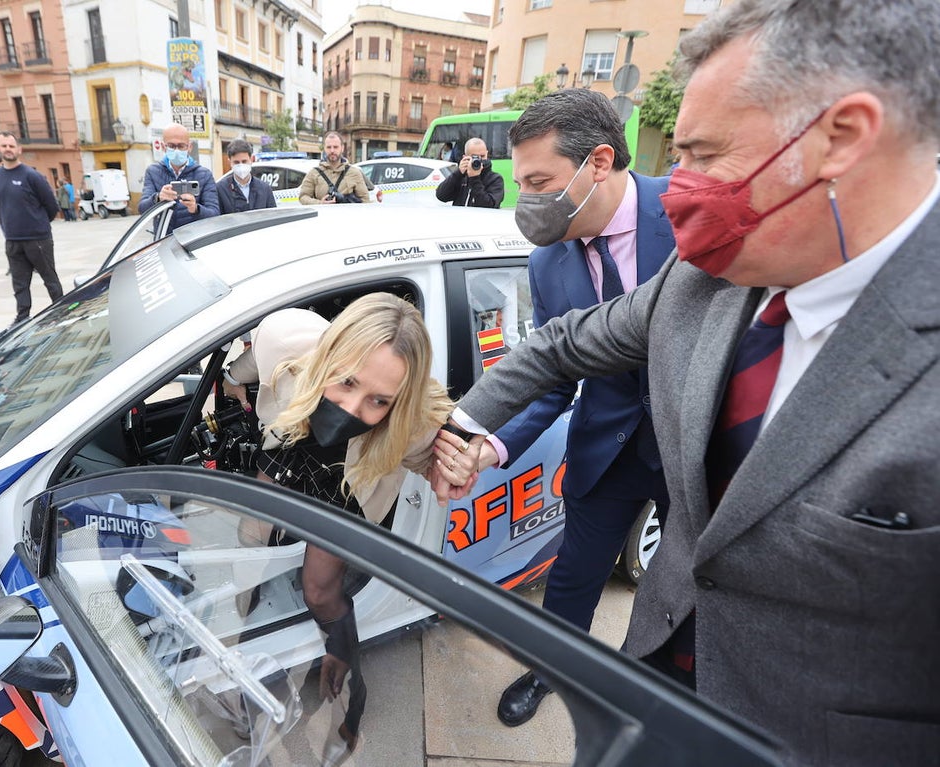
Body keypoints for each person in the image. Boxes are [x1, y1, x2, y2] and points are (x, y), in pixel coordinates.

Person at [434, 1, 940, 765]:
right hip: (653, 685)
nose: (682, 188)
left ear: (841, 136)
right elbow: (561, 348)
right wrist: (469, 429)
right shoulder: (707, 276)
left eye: (704, 155)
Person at [471, 89, 674, 728]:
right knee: (572, 583)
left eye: (539, 182)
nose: (526, 200)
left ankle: (659, 684)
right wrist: (492, 444)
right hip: (603, 450)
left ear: (598, 162)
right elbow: (554, 377)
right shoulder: (547, 262)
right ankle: (551, 669)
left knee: (682, 585)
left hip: (687, 448)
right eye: (519, 183)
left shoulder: (685, 215)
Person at [221, 293, 473, 762]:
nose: (353, 407)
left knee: (319, 590)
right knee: (250, 546)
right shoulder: (285, 341)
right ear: (329, 354)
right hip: (287, 453)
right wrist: (233, 379)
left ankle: (347, 699)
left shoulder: (415, 421)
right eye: (345, 380)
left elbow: (436, 457)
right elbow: (251, 362)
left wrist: (453, 468)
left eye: (379, 400)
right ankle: (239, 665)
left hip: (344, 489)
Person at [0, 132, 62, 325]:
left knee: (49, 278)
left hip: (38, 239)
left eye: (11, 146)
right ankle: (22, 317)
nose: (8, 149)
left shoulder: (32, 176)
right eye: (4, 146)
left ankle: (61, 311)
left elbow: (51, 205)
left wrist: (38, 224)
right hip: (13, 240)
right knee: (19, 283)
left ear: (19, 149)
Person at [138, 122, 220, 231]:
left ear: (189, 147)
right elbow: (142, 209)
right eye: (171, 146)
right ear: (163, 146)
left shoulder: (204, 174)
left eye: (181, 146)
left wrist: (195, 209)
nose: (176, 150)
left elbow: (214, 213)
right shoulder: (153, 172)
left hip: (194, 239)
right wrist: (158, 198)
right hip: (164, 239)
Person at [298, 132, 371, 205]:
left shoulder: (354, 172)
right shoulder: (313, 173)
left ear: (342, 148)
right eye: (329, 147)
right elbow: (303, 197)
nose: (332, 151)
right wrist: (320, 203)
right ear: (324, 148)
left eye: (335, 147)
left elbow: (365, 200)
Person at [434, 137, 505, 208]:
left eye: (482, 156)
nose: (479, 160)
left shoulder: (495, 179)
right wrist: (458, 173)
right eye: (475, 157)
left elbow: (489, 206)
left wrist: (474, 179)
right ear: (465, 157)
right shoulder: (461, 177)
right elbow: (441, 196)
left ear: (487, 154)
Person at [217, 139, 277, 214]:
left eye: (244, 161)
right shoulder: (221, 189)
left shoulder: (264, 189)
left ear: (251, 159)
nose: (241, 165)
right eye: (236, 162)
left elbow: (272, 217)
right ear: (230, 162)